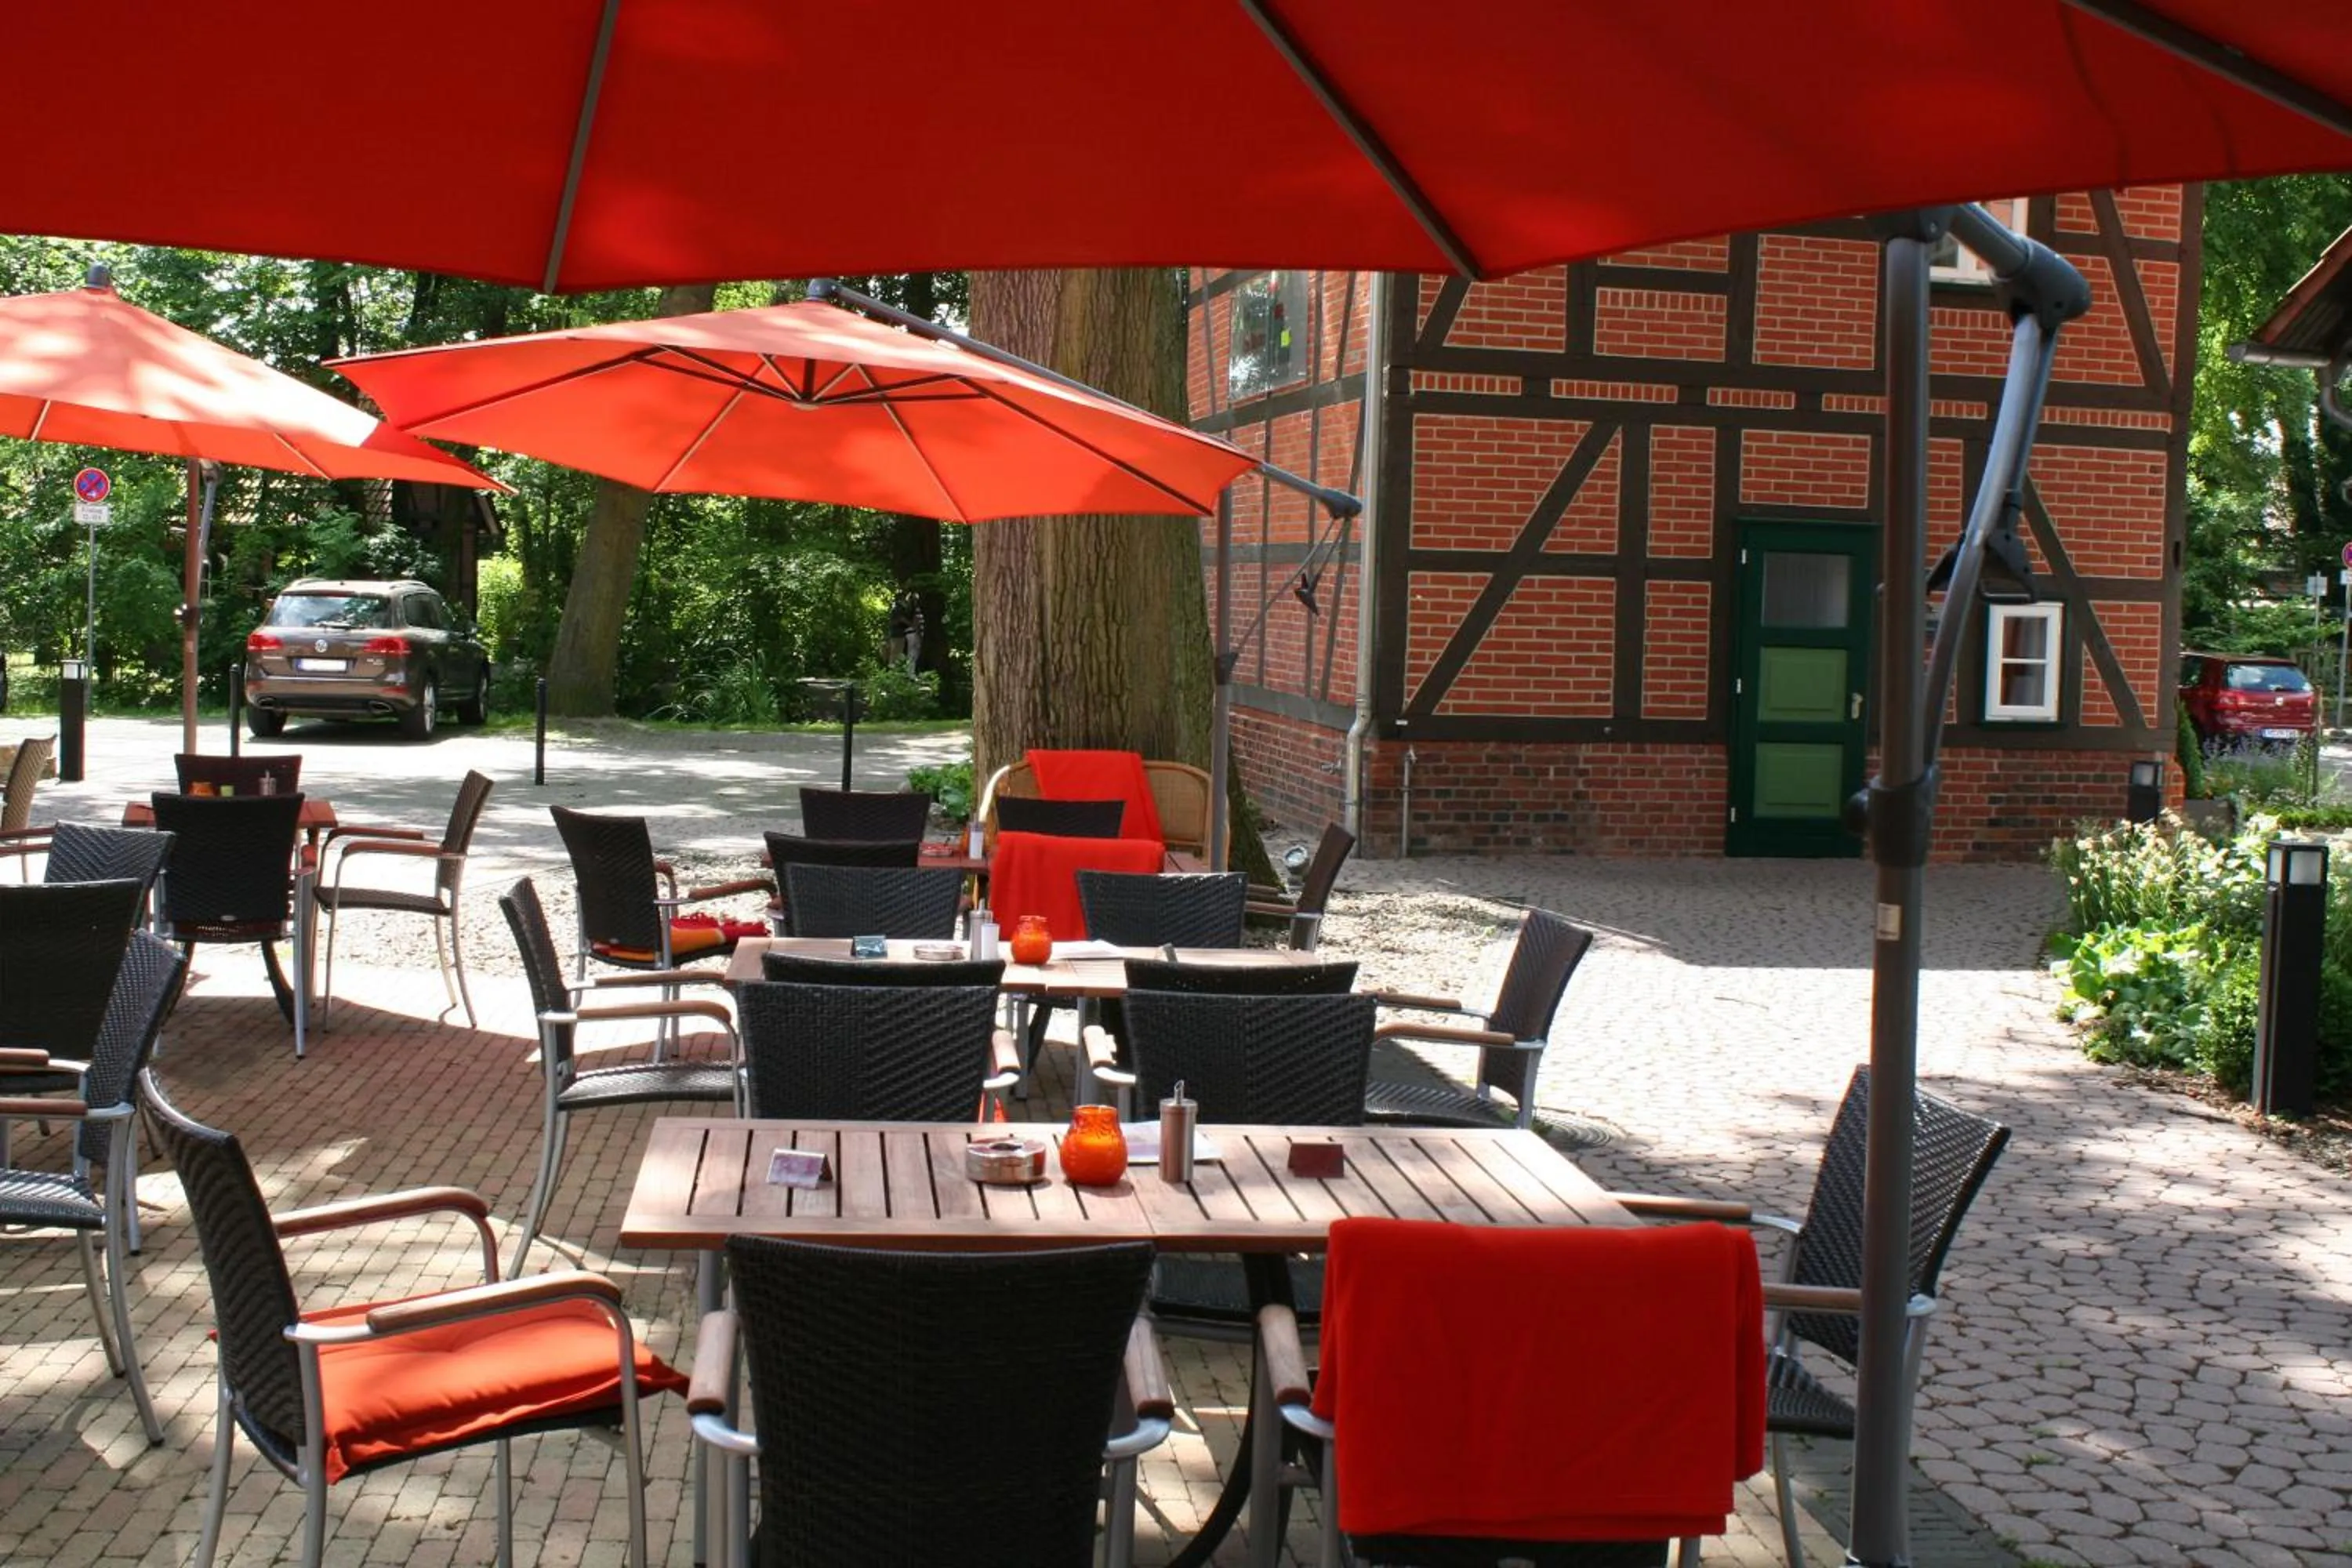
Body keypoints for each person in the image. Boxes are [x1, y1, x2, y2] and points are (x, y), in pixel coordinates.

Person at [886, 590, 924, 676]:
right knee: (897, 653)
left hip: (899, 634)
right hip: (898, 634)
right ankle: (893, 675)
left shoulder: (901, 608)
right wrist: (912, 625)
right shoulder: (899, 608)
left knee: (898, 653)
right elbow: (901, 619)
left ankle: (895, 673)